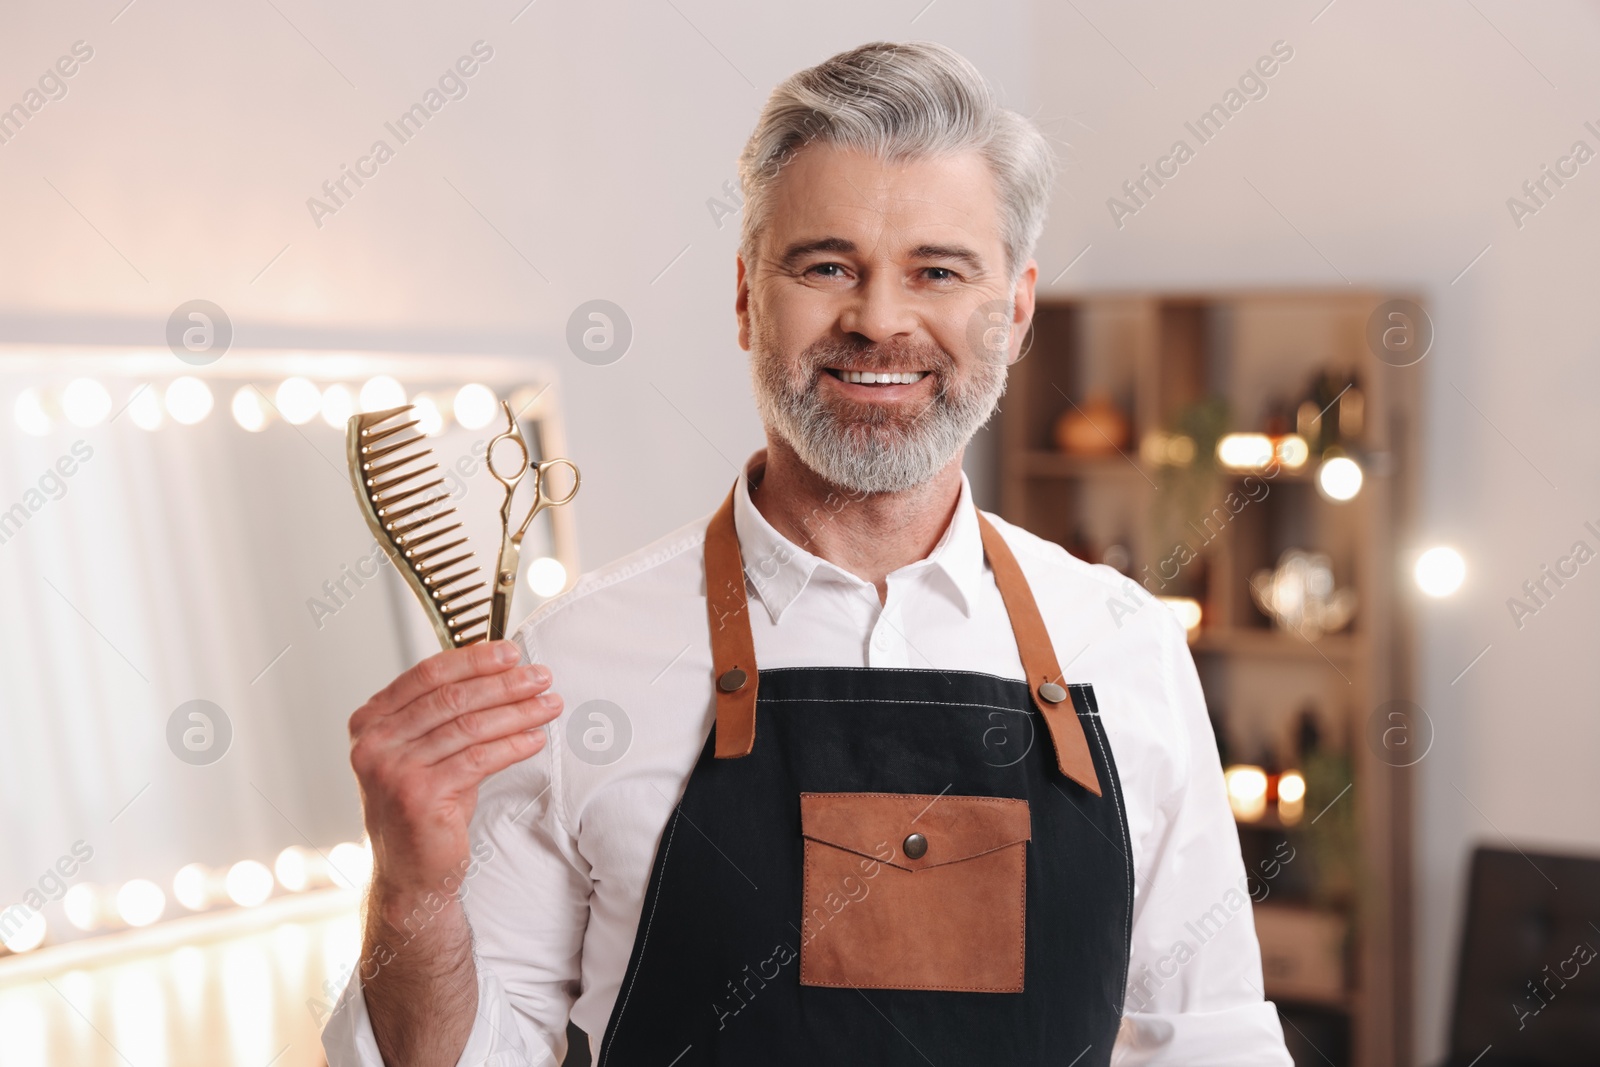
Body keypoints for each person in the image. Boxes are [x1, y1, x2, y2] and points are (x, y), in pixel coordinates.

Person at [323, 40, 1292, 1067]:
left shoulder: (1124, 641)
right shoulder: (571, 663)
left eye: (937, 270)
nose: (878, 319)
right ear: (747, 297)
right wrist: (413, 893)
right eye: (826, 265)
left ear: (1012, 311)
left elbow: (1207, 1037)